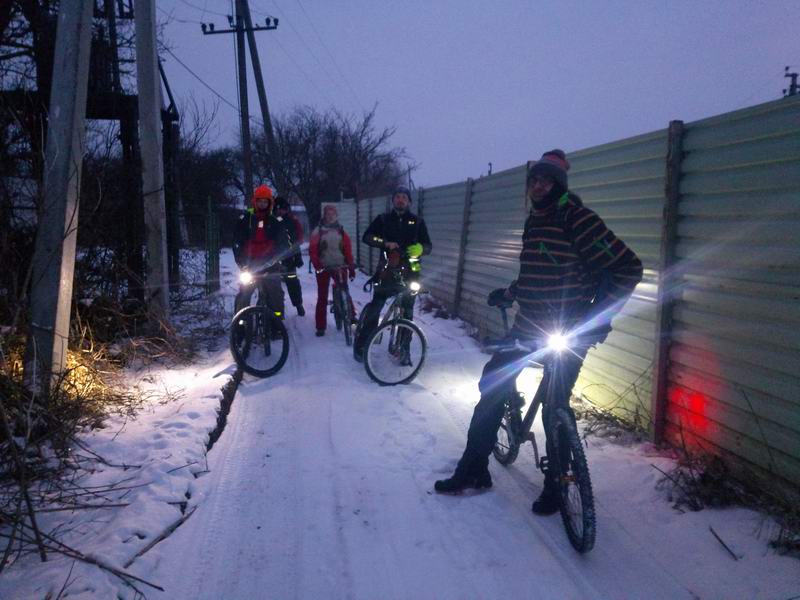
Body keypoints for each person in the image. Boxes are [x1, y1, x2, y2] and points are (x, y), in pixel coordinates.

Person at [434, 150, 643, 515]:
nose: (537, 185)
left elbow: (628, 267)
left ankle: (556, 488)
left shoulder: (579, 220)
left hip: (569, 331)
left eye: (545, 180)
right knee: (492, 385)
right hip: (527, 326)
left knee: (554, 406)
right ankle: (474, 469)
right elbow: (536, 272)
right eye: (533, 180)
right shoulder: (535, 221)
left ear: (558, 185)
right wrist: (511, 292)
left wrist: (596, 319)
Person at [353, 185, 432, 361]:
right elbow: (367, 237)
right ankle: (362, 344)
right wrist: (385, 243)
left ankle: (404, 350)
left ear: (409, 202)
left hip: (411, 273)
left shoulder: (418, 222)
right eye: (397, 197)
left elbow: (428, 246)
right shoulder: (383, 219)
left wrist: (420, 248)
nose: (401, 199)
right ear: (393, 201)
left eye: (404, 197)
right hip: (387, 271)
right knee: (376, 308)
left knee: (408, 312)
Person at [232, 184, 290, 317]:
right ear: (255, 201)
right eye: (260, 201)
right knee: (244, 294)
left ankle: (276, 321)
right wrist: (241, 262)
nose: (262, 204)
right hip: (250, 264)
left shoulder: (276, 221)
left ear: (269, 203)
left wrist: (278, 258)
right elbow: (237, 241)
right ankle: (240, 324)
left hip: (270, 264)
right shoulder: (246, 219)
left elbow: (284, 242)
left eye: (265, 201)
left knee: (276, 294)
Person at [308, 204, 356, 336]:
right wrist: (317, 264)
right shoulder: (318, 231)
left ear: (336, 216)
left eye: (332, 214)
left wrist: (350, 266)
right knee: (322, 296)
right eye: (328, 214)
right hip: (323, 267)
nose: (330, 216)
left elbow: (348, 250)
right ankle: (320, 326)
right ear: (324, 215)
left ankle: (351, 317)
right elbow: (312, 250)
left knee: (344, 290)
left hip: (340, 266)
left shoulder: (341, 232)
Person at [274, 196, 306, 316]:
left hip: (289, 258)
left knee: (292, 282)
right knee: (274, 287)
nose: (281, 211)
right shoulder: (271, 220)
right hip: (273, 259)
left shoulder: (293, 221)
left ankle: (298, 304)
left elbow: (298, 239)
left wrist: (296, 256)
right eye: (278, 208)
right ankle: (277, 313)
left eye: (283, 209)